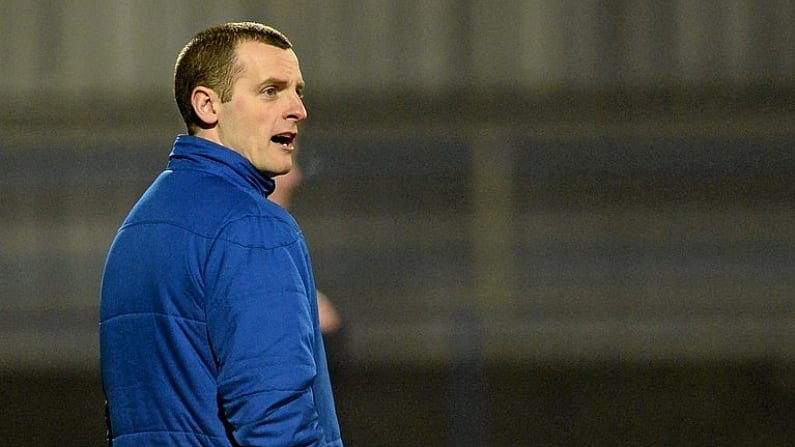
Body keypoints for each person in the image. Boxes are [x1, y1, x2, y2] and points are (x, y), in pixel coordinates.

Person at [99, 22, 343, 447]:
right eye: (271, 90)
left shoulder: (137, 227)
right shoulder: (252, 228)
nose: (298, 109)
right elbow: (276, 424)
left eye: (297, 91)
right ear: (207, 105)